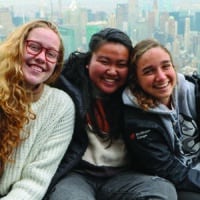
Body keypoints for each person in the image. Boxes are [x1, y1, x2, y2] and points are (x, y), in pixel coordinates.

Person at [44, 28, 177, 200]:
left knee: (162, 190)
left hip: (124, 175)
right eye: (104, 61)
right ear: (88, 61)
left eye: (121, 65)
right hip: (77, 174)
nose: (112, 71)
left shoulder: (135, 95)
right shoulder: (66, 89)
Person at [0, 20, 75, 199]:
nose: (41, 58)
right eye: (34, 47)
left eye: (51, 54)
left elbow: (35, 180)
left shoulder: (60, 106)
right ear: (17, 47)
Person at [122, 39, 200, 199]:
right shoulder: (136, 120)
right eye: (149, 71)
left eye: (166, 66)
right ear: (136, 79)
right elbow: (168, 169)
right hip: (177, 183)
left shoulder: (192, 91)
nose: (161, 76)